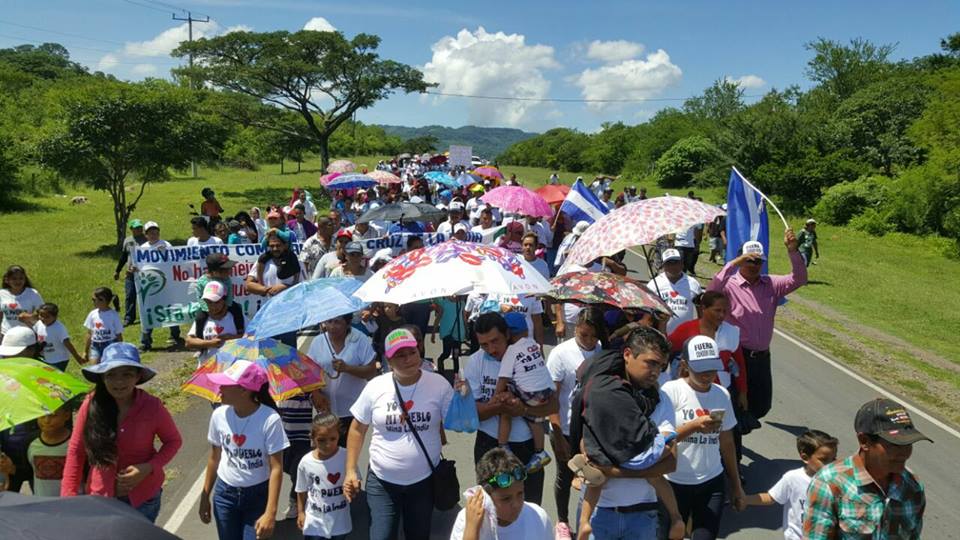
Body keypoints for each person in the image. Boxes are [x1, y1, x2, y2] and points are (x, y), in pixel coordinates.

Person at [571, 326, 684, 540]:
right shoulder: (600, 396)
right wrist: (645, 468)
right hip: (599, 513)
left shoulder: (661, 401)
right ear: (627, 355)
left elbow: (670, 461)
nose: (656, 372)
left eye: (661, 366)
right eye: (650, 363)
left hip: (643, 514)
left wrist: (610, 470)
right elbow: (585, 447)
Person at [344, 328, 455, 540]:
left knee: (418, 535)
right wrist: (350, 470)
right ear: (388, 359)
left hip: (424, 482)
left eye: (412, 352)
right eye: (400, 355)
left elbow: (457, 422)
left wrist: (463, 398)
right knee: (381, 536)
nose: (408, 359)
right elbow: (357, 428)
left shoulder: (439, 384)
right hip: (382, 482)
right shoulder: (375, 387)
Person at [62, 343, 183, 522]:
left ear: (138, 376)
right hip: (101, 498)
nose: (119, 382)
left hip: (144, 498)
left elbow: (173, 441)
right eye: (111, 375)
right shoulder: (90, 405)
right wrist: (69, 499)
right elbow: (76, 451)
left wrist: (149, 467)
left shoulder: (152, 406)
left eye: (127, 374)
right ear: (102, 378)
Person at [707, 231, 807, 421]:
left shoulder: (771, 284)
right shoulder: (729, 284)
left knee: (761, 405)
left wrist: (793, 251)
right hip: (739, 355)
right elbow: (711, 292)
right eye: (749, 260)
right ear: (741, 260)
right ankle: (732, 438)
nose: (754, 265)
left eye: (758, 261)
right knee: (736, 402)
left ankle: (737, 429)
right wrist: (734, 262)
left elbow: (799, 279)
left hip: (762, 356)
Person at [803, 398, 929, 539]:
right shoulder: (829, 483)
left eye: (908, 444)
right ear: (864, 441)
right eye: (895, 445)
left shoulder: (913, 487)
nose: (905, 453)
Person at [661, 335, 746, 540]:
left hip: (711, 482)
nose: (708, 375)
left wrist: (736, 485)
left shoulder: (721, 394)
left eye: (712, 368)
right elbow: (660, 441)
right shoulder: (670, 392)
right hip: (673, 483)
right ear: (685, 365)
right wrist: (693, 426)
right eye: (701, 369)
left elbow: (726, 442)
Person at [465, 313, 554, 505]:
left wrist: (522, 410)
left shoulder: (528, 357)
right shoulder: (475, 362)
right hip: (489, 444)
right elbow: (473, 412)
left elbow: (553, 405)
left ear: (507, 334)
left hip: (527, 447)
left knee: (529, 506)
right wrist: (500, 405)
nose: (491, 349)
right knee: (489, 506)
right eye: (484, 345)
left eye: (495, 341)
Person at [198, 360, 289, 540]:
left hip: (257, 496)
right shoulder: (218, 416)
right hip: (225, 494)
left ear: (244, 390)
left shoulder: (270, 420)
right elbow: (214, 458)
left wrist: (270, 512)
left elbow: (276, 468)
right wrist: (205, 496)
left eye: (225, 384)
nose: (219, 388)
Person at [545, 307, 605, 539]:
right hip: (566, 427)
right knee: (565, 474)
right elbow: (552, 399)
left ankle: (586, 520)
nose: (589, 341)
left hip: (592, 430)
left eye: (594, 335)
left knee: (593, 475)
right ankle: (562, 521)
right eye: (584, 335)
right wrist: (558, 434)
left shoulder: (602, 351)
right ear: (575, 329)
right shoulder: (561, 354)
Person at [745, 429, 838, 540]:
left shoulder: (838, 480)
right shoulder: (793, 478)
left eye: (833, 459)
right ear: (805, 457)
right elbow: (771, 497)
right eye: (824, 460)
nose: (830, 465)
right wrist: (745, 499)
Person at [493, 314, 556, 473]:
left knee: (507, 406)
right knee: (535, 419)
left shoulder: (511, 351)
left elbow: (503, 378)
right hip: (547, 392)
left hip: (531, 393)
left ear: (507, 334)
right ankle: (540, 452)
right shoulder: (533, 344)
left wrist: (495, 397)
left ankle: (503, 446)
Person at [451, 448, 553, 540]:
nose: (516, 504)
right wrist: (472, 529)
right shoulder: (467, 521)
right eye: (506, 499)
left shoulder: (539, 516)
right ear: (486, 497)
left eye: (520, 493)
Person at [307, 314, 377, 446]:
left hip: (353, 410)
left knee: (347, 452)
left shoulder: (359, 340)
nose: (332, 326)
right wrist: (316, 393)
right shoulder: (318, 342)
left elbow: (371, 372)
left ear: (347, 323)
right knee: (326, 451)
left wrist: (347, 368)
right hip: (325, 411)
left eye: (337, 322)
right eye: (329, 321)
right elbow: (309, 371)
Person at [296, 413, 354, 540]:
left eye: (332, 439)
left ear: (339, 435)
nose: (327, 444)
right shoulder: (306, 462)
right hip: (314, 522)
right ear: (313, 438)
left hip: (339, 522)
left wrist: (353, 488)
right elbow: (301, 489)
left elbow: (354, 479)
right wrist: (300, 512)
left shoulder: (346, 457)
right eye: (321, 440)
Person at [0, 326, 42, 493]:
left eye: (14, 353)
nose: (7, 357)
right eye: (5, 354)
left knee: (45, 506)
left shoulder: (47, 379)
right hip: (7, 455)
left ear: (31, 350)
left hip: (40, 453)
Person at [138, 221, 182, 352]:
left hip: (166, 284)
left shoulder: (165, 245)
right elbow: (140, 265)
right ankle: (145, 341)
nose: (154, 234)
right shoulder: (142, 248)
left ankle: (175, 335)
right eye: (150, 232)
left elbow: (175, 260)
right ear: (146, 235)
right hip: (151, 286)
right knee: (148, 311)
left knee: (171, 309)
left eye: (156, 232)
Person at [186, 281, 245, 368]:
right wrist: (210, 343)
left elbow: (252, 337)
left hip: (233, 369)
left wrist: (231, 338)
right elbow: (189, 342)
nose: (213, 306)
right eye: (209, 302)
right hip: (207, 369)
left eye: (217, 302)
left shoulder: (237, 317)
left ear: (224, 300)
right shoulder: (202, 318)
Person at [647, 248, 703, 335]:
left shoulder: (693, 284)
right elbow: (647, 312)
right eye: (669, 263)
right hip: (660, 335)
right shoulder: (653, 284)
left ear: (682, 263)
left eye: (676, 262)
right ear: (663, 265)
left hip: (685, 336)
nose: (673, 266)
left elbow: (700, 311)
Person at [26, 403, 76, 497]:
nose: (46, 421)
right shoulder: (30, 442)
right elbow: (26, 472)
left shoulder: (76, 442)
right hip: (41, 504)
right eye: (42, 415)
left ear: (66, 415)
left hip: (71, 504)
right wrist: (10, 468)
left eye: (53, 415)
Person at [247, 230, 301, 299]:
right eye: (272, 246)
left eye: (278, 245)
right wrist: (265, 290)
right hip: (269, 307)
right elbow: (248, 285)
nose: (275, 249)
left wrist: (286, 288)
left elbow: (303, 287)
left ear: (285, 245)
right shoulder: (261, 262)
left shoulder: (295, 261)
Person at [114, 219, 146, 326]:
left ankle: (146, 315)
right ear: (131, 229)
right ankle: (129, 318)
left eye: (140, 228)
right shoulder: (128, 241)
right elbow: (123, 257)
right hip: (130, 273)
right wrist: (117, 271)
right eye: (136, 228)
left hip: (144, 273)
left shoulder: (147, 240)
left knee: (145, 295)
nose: (139, 230)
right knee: (130, 295)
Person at [35, 303, 84, 371]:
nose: (43, 318)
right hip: (45, 358)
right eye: (41, 315)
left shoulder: (59, 328)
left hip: (59, 360)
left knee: (55, 379)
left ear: (55, 317)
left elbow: (67, 343)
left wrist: (77, 357)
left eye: (47, 316)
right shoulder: (39, 324)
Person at [83, 287, 124, 364]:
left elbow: (119, 335)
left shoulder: (113, 315)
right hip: (95, 345)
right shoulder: (92, 314)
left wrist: (120, 350)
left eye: (94, 300)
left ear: (103, 300)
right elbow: (89, 333)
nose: (93, 302)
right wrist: (85, 352)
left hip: (110, 345)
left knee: (109, 367)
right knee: (95, 368)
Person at [1, 264, 43, 338]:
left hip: (26, 335)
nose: (18, 281)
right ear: (7, 280)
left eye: (21, 278)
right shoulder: (1, 294)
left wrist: (30, 317)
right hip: (6, 335)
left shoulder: (32, 293)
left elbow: (44, 313)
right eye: (14, 279)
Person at [432, 295, 467, 375]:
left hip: (458, 333)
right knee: (446, 353)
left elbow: (464, 317)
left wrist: (466, 330)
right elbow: (438, 318)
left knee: (456, 355)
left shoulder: (461, 303)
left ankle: (456, 375)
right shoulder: (444, 303)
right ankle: (441, 365)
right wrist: (433, 332)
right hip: (447, 333)